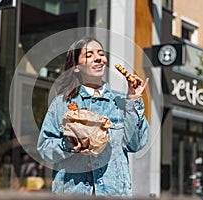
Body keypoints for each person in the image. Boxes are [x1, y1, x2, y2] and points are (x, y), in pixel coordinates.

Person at [37, 36, 149, 196]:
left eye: (101, 54)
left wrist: (133, 100)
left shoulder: (121, 103)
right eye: (89, 55)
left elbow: (136, 144)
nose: (98, 58)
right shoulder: (61, 103)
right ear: (76, 67)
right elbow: (44, 148)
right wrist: (68, 145)